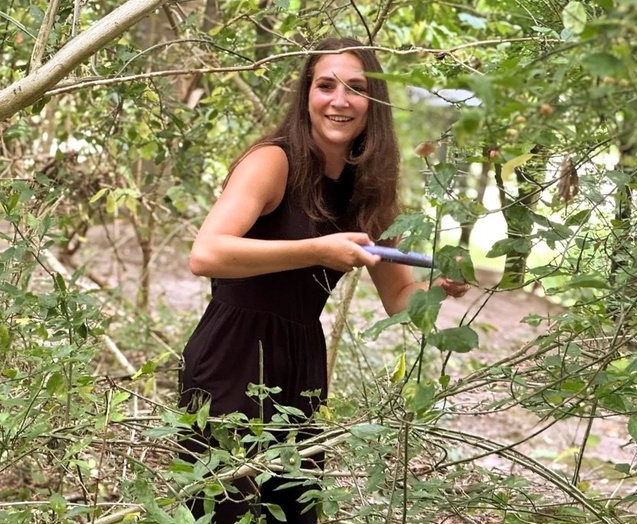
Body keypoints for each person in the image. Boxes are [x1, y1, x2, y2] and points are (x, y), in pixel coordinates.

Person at [177, 37, 469, 523]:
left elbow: (399, 297)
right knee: (223, 509)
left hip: (301, 362)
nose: (340, 100)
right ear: (306, 94)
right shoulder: (273, 160)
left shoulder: (368, 186)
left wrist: (440, 287)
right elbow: (206, 254)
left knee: (292, 511)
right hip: (232, 352)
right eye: (326, 85)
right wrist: (317, 251)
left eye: (356, 88)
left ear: (373, 104)